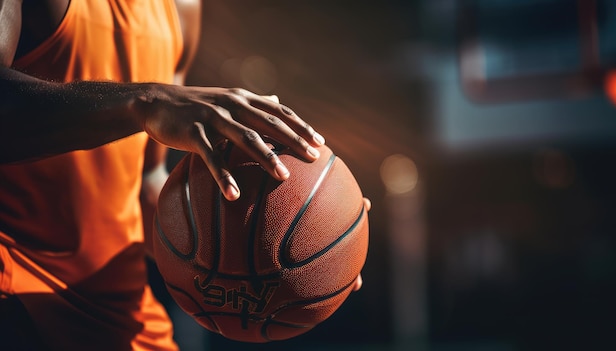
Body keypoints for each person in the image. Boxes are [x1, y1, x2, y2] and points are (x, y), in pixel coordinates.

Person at [0, 0, 365, 350]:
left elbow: (145, 185)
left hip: (118, 316)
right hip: (18, 298)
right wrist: (145, 102)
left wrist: (326, 244)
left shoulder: (181, 6)